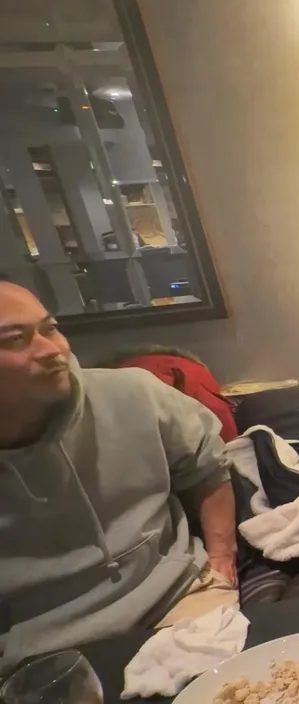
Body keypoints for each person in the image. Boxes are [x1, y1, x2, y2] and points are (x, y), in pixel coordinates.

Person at [0, 276, 237, 669]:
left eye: (50, 328)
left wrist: (221, 561)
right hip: (36, 655)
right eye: (14, 339)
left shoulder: (133, 393)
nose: (53, 350)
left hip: (180, 601)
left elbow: (209, 465)